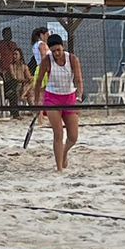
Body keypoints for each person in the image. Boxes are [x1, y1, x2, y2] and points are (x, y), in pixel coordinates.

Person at [32, 33, 83, 171]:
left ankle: (64, 153)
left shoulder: (72, 59)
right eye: (53, 51)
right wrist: (37, 102)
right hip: (52, 98)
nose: (56, 53)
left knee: (73, 137)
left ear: (63, 47)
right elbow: (37, 83)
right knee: (58, 134)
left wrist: (78, 98)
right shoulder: (47, 61)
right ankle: (59, 168)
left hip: (69, 98)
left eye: (58, 50)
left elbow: (78, 80)